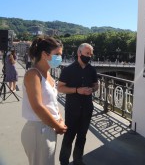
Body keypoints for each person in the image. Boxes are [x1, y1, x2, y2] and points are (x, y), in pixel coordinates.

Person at [21, 36, 67, 165]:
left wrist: (59, 118)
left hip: (49, 127)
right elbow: (38, 106)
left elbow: (52, 103)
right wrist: (57, 125)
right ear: (45, 54)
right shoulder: (33, 74)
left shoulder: (48, 75)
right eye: (57, 54)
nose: (60, 58)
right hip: (38, 130)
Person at [58, 43, 99, 165]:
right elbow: (60, 87)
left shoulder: (92, 70)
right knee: (69, 137)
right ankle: (64, 161)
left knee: (82, 136)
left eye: (91, 54)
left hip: (87, 108)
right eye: (87, 53)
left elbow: (96, 85)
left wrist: (92, 89)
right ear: (79, 53)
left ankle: (78, 159)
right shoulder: (68, 70)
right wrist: (77, 90)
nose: (89, 56)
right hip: (72, 109)